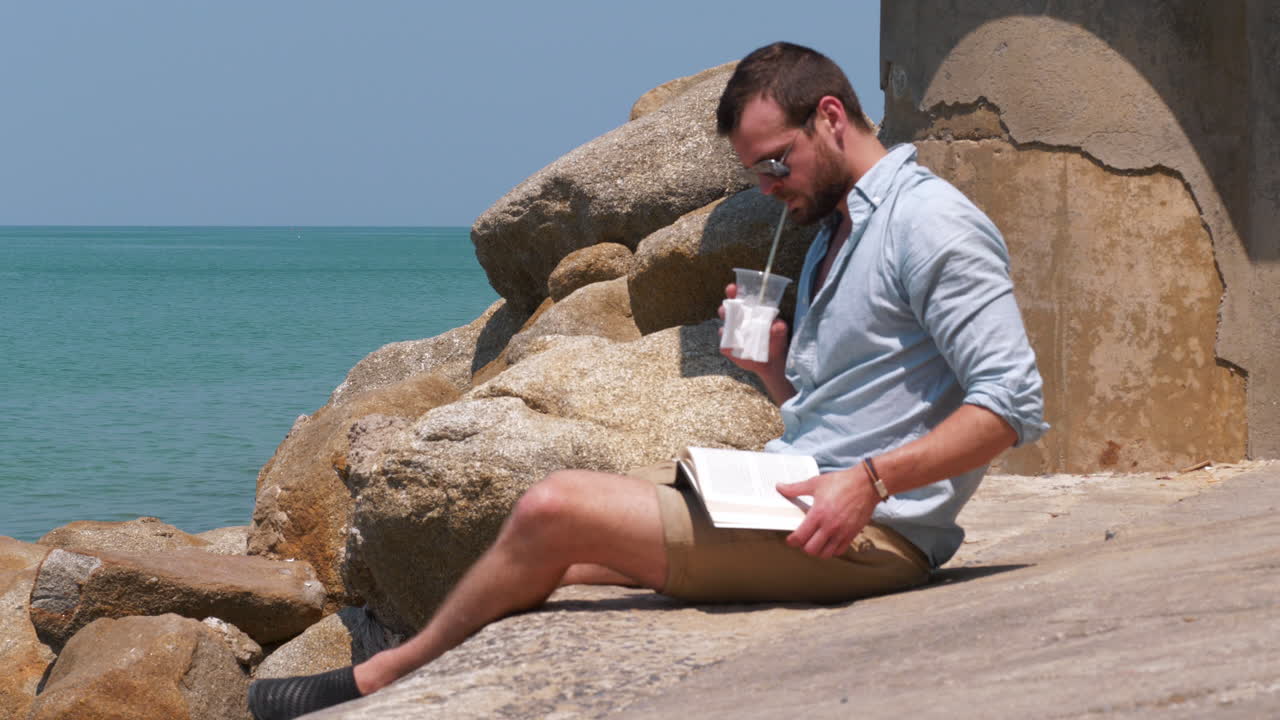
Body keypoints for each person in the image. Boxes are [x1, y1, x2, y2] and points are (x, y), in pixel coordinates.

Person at [249, 41, 1047, 719]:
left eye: (777, 162)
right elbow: (847, 415)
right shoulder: (842, 230)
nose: (769, 187)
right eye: (755, 173)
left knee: (554, 505)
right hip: (804, 495)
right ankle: (425, 656)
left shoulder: (931, 223)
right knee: (560, 563)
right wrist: (772, 370)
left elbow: (1010, 406)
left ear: (831, 117)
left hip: (871, 536)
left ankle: (380, 674)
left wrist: (870, 482)